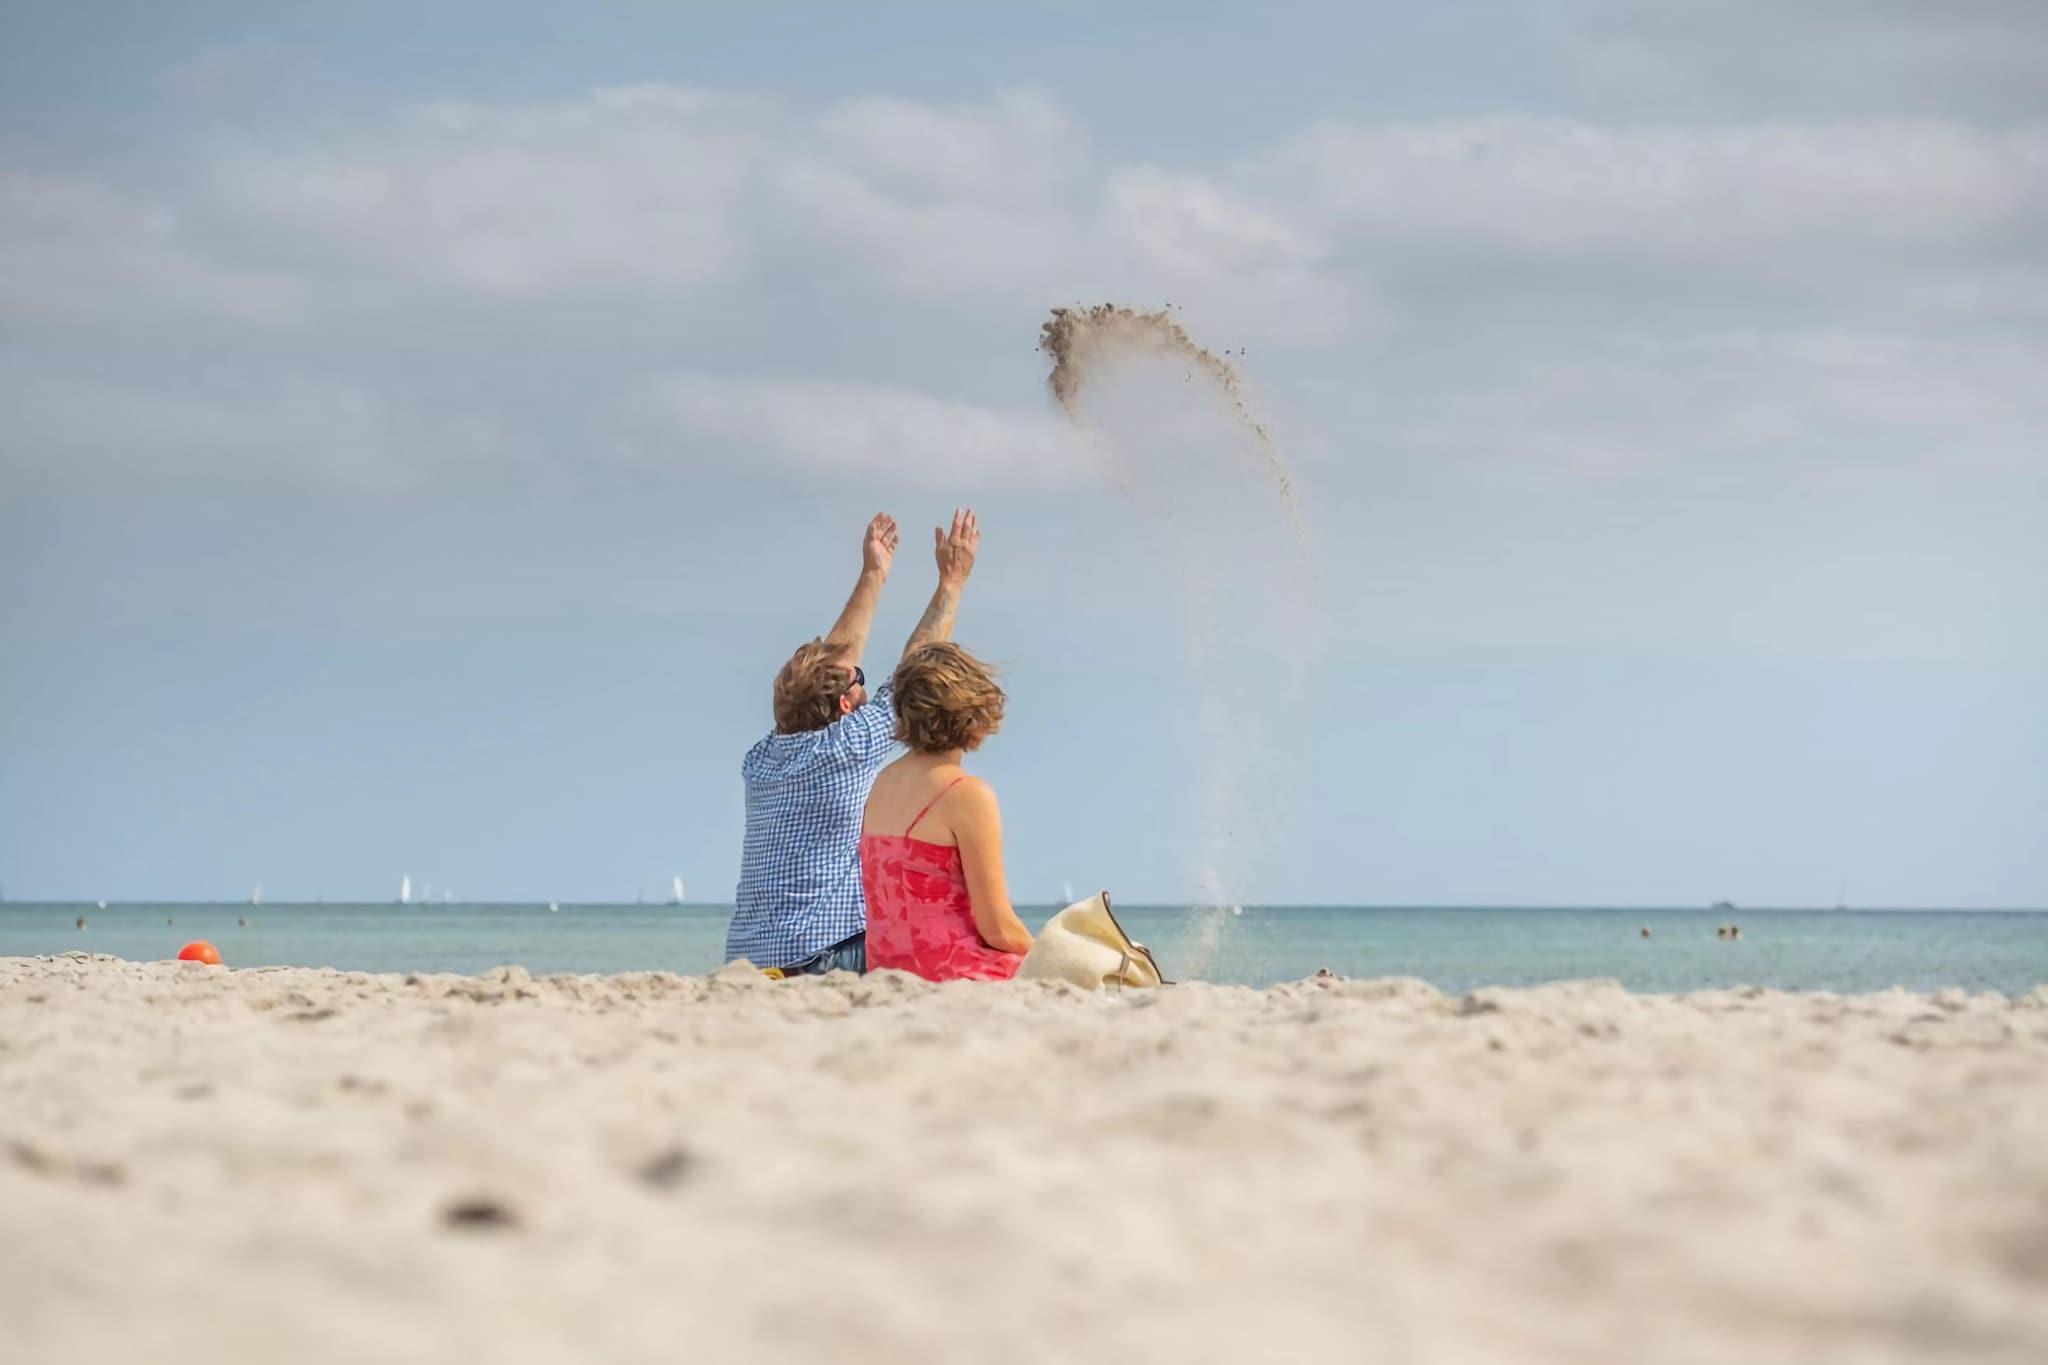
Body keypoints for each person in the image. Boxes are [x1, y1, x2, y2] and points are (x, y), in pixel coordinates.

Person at [726, 510, 982, 976]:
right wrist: (952, 583)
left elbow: (829, 671)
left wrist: (873, 575)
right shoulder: (848, 748)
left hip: (749, 962)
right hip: (821, 958)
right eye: (859, 681)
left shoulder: (761, 760)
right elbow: (914, 671)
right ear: (845, 705)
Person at [860, 640, 1034, 981]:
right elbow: (998, 928)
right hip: (952, 972)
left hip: (888, 971)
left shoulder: (881, 782)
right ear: (972, 711)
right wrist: (1049, 952)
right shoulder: (965, 794)